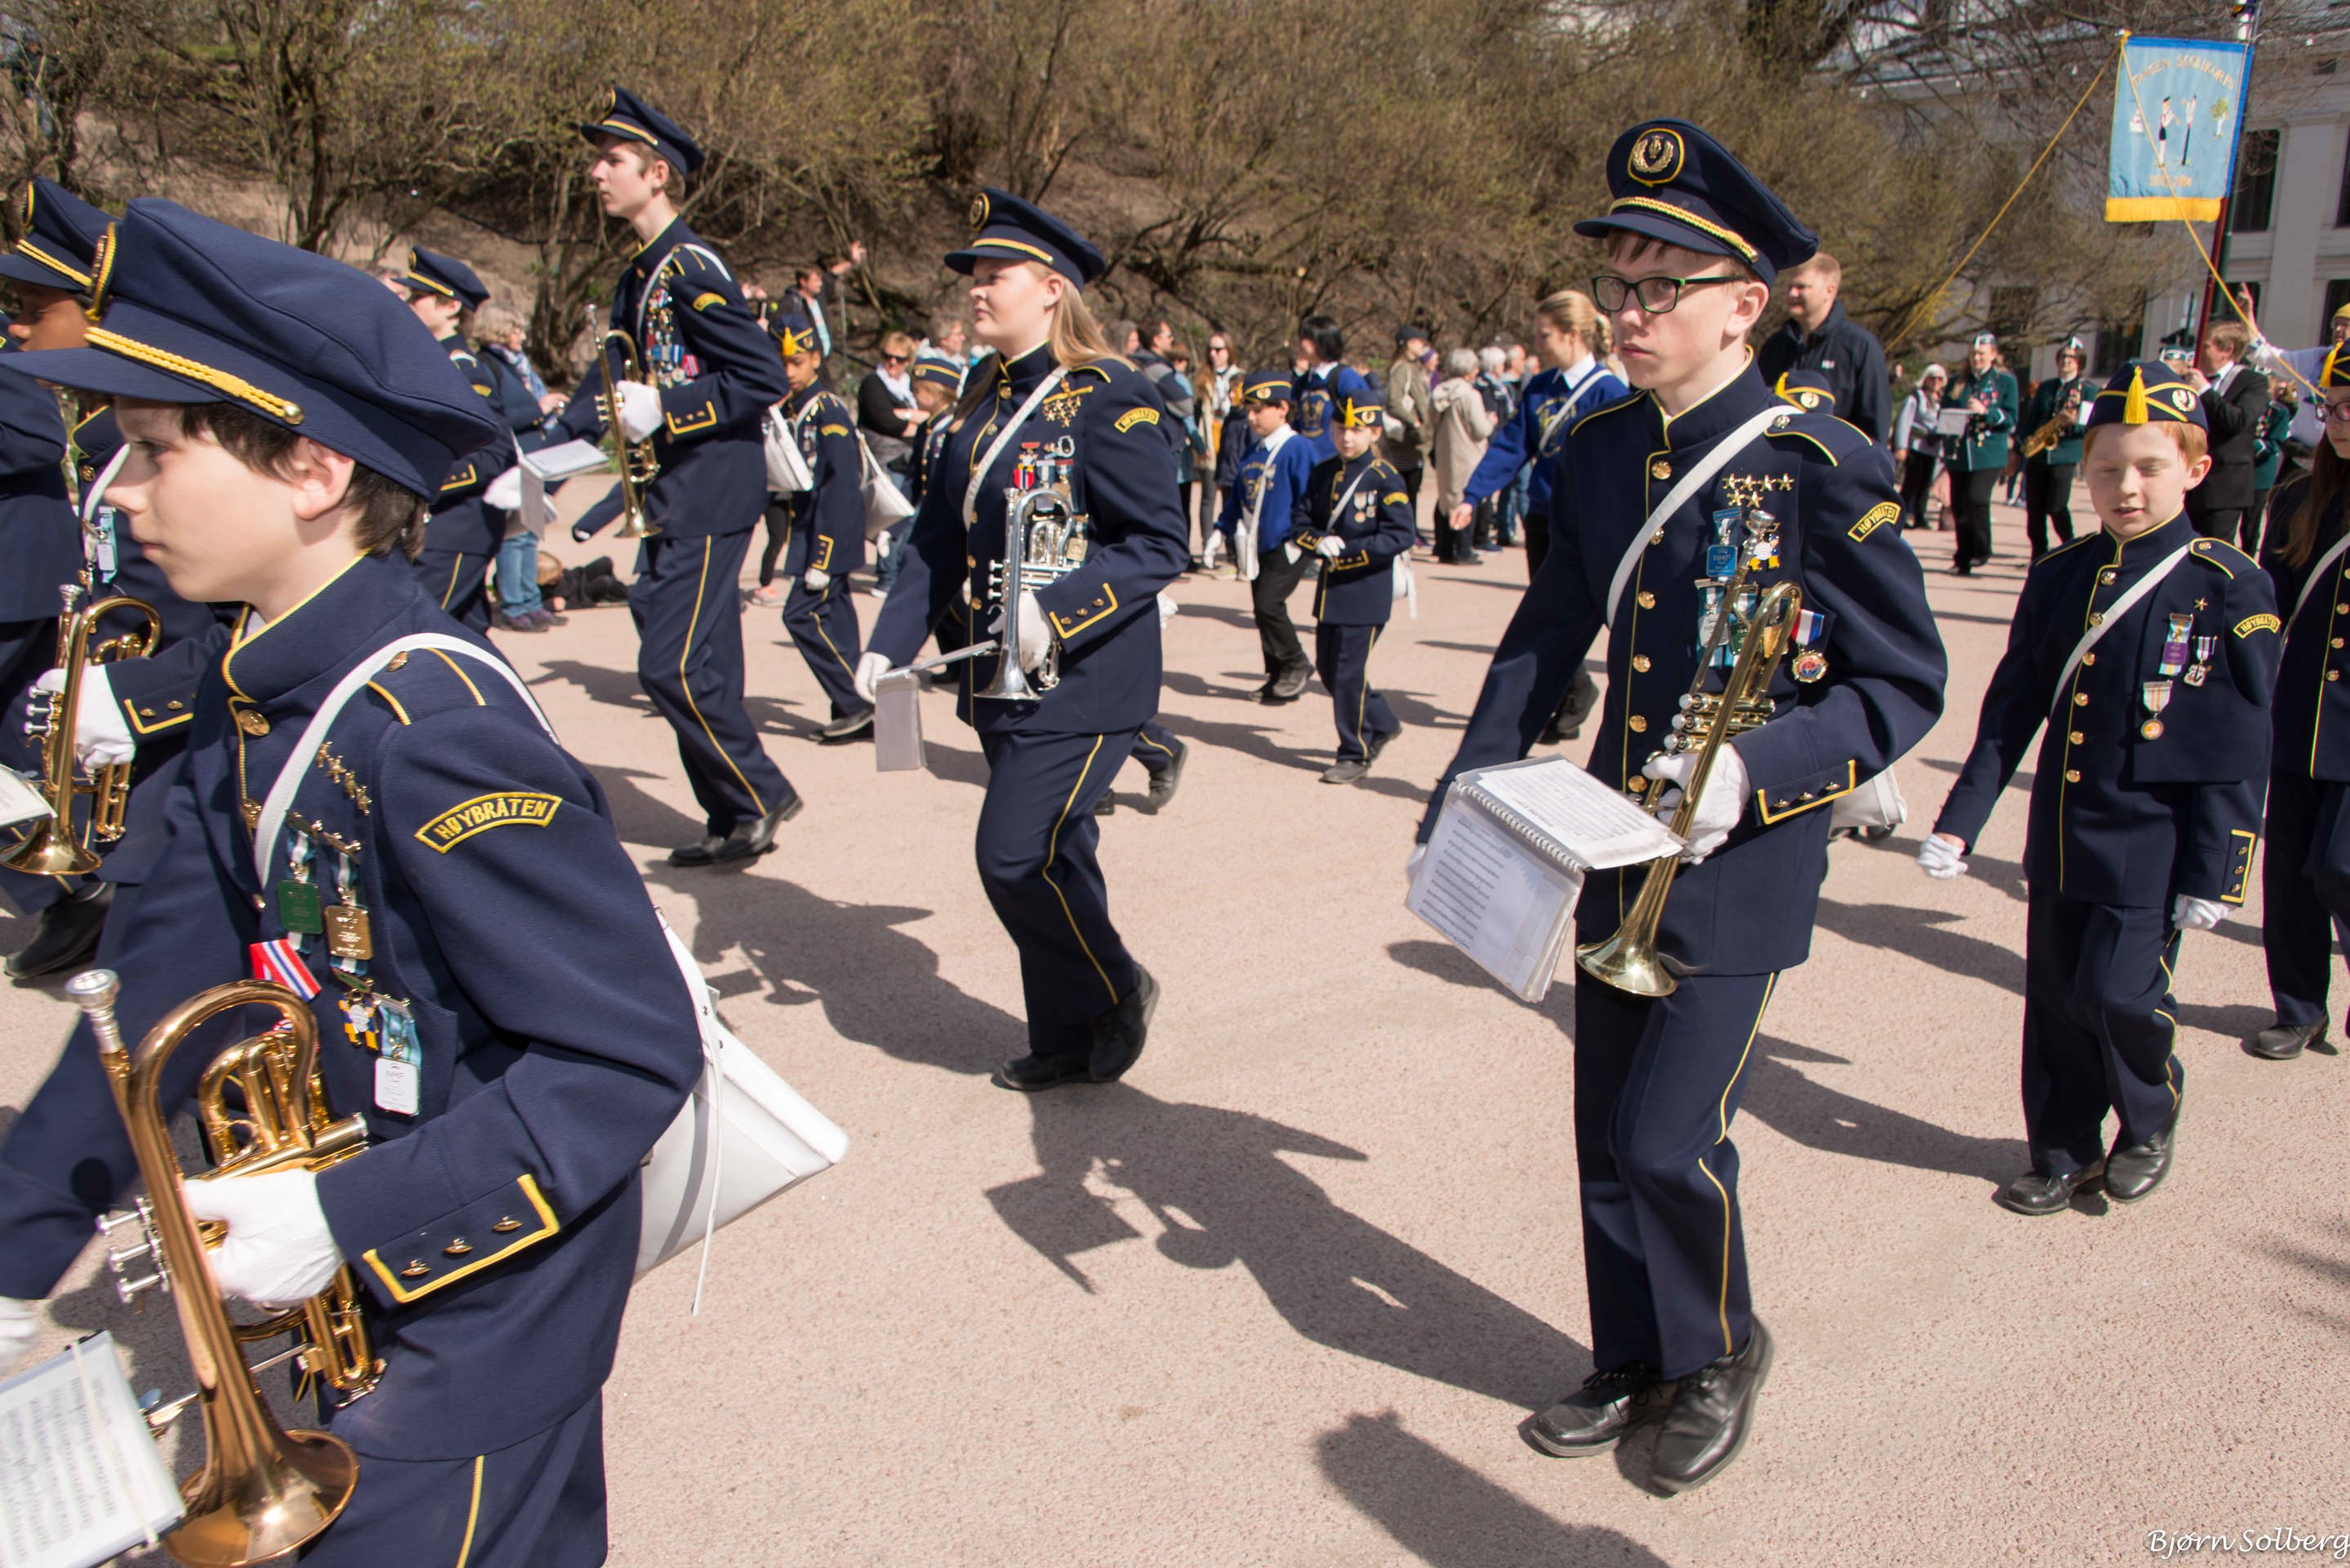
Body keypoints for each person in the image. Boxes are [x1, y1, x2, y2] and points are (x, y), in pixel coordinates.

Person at [0, 195, 702, 1566]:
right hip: (369, 1294)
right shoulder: (253, 685)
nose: (120, 489)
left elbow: (624, 1056)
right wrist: (16, 1248)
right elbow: (150, 991)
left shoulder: (430, 729)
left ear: (313, 471)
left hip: (478, 1312)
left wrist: (341, 1215)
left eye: (156, 448)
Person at [1416, 119, 1944, 1494]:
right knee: (1604, 1131)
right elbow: (1548, 628)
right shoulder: (1601, 446)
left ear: (1744, 304)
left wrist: (1758, 772)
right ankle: (1632, 1355)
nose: (1632, 311)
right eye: (1622, 284)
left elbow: (1901, 684)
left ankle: (1717, 1352)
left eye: (1663, 287)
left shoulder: (1818, 462)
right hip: (1617, 839)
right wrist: (1472, 779)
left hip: (1739, 862)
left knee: (1669, 1137)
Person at [1921, 361, 2278, 1211]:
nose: (2125, 488)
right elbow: (2012, 708)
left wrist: (2217, 873)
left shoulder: (2227, 583)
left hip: (2155, 839)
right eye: (2108, 467)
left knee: (2117, 993)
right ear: (2083, 470)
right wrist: (1961, 819)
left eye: (2149, 467)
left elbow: (2237, 744)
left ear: (2196, 470)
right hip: (2062, 828)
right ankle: (2063, 1149)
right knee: (2054, 1002)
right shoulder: (2061, 575)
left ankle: (2150, 1114)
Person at [851, 189, 1186, 1093]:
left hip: (1086, 677)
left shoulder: (1111, 393)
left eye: (994, 274)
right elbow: (935, 536)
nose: (975, 287)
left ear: (1050, 288)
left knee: (1012, 854)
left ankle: (1116, 987)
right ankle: (1067, 1036)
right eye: (972, 274)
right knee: (1059, 850)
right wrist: (890, 640)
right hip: (1001, 674)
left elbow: (1159, 541)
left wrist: (1063, 610)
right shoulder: (979, 395)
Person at [544, 87, 798, 866]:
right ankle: (733, 813)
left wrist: (669, 407)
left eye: (613, 159)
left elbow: (761, 376)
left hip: (708, 490)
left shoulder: (689, 267)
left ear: (657, 174)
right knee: (700, 658)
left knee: (670, 664)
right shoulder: (640, 272)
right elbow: (611, 372)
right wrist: (542, 450)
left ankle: (758, 791)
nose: (597, 172)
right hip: (672, 492)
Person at [0, 176, 224, 981]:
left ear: (94, 316)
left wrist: (131, 699)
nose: (15, 326)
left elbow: (236, 626)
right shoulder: (103, 429)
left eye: (34, 308)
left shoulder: (157, 437)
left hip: (175, 739)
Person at [1456, 289, 1627, 742]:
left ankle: (1569, 697)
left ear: (1572, 334)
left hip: (1587, 522)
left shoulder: (1610, 392)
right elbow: (1512, 445)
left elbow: (1619, 465)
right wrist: (1473, 496)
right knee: (1548, 613)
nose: (1538, 345)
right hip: (1542, 517)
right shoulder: (1539, 387)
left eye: (1544, 335)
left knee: (1573, 615)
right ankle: (1575, 691)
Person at [2245, 345, 2350, 1062]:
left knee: (2339, 867)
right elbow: (2267, 609)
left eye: (2348, 409)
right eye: (2330, 406)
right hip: (2298, 719)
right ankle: (2298, 1007)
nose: (2335, 420)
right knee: (2286, 878)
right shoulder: (2293, 499)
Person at [390, 247, 515, 634]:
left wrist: (419, 482)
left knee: (410, 633)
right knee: (468, 636)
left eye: (418, 297)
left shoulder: (463, 370)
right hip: (442, 527)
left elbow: (495, 453)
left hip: (456, 529)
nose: (409, 304)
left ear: (450, 307)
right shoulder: (431, 363)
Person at [1296, 391, 1412, 782]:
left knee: (1347, 674)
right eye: (1340, 429)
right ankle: (1383, 722)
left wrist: (1348, 552)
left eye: (1357, 430)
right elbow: (1300, 521)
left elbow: (1400, 534)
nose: (1347, 438)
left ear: (1374, 432)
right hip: (1331, 593)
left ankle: (1354, 752)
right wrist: (1316, 541)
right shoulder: (1323, 473)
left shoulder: (1384, 477)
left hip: (1365, 590)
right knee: (1330, 672)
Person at [773, 311, 872, 743]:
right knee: (839, 623)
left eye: (796, 362)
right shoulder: (796, 408)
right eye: (782, 363)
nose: (788, 372)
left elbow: (840, 488)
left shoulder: (826, 410)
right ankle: (852, 707)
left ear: (816, 358)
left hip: (826, 537)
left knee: (800, 615)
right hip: (813, 534)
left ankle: (857, 702)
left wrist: (823, 557)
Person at [1216, 369, 1318, 701]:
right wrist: (1221, 528)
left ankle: (1296, 662)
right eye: (1249, 409)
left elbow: (1311, 497)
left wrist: (1301, 535)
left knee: (1269, 604)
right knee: (1261, 609)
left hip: (1287, 541)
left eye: (1259, 409)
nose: (1251, 417)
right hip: (1259, 542)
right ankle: (1277, 677)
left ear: (1282, 408)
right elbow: (1238, 497)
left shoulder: (1298, 448)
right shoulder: (1254, 450)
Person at [471, 303, 566, 632]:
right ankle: (514, 605)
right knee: (514, 537)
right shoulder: (487, 365)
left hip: (533, 458)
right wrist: (540, 410)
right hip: (512, 460)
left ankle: (532, 601)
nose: (522, 336)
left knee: (531, 534)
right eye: (515, 329)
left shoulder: (517, 365)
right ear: (498, 329)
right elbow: (495, 417)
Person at [1754, 250, 1890, 443]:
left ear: (1830, 291)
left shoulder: (1860, 347)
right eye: (1790, 287)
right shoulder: (1775, 345)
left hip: (1834, 457)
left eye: (1802, 287)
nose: (1792, 293)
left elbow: (1875, 427)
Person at [2183, 320, 2268, 545]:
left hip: (2224, 486)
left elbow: (2238, 421)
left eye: (2206, 346)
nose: (2198, 352)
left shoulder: (2252, 381)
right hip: (2190, 481)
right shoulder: (2189, 380)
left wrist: (2205, 391)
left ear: (2227, 350)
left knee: (2212, 550)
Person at [1942, 332, 2017, 575]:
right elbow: (1945, 412)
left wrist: (1987, 412)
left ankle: (1982, 549)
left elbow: (2011, 418)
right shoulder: (1957, 382)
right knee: (1959, 506)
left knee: (1976, 498)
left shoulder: (2005, 382)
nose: (1976, 358)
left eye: (1982, 354)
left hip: (1988, 454)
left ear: (1993, 355)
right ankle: (1962, 558)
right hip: (1960, 453)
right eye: (1973, 354)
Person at [2245, 294, 2347, 466]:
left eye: (2346, 325)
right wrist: (2247, 314)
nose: (2338, 329)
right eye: (2336, 324)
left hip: (2339, 463)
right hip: (2300, 460)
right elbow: (2261, 354)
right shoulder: (2315, 358)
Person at [2018, 337, 2090, 559]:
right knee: (2035, 509)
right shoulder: (2047, 387)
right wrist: (2021, 445)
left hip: (2065, 454)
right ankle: (2038, 554)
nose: (2066, 361)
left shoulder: (2088, 389)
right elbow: (2031, 420)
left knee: (2057, 506)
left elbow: (2088, 426)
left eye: (2071, 358)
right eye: (2063, 357)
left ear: (2079, 362)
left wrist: (2074, 422)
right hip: (2039, 454)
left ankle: (2070, 547)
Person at [1428, 348, 1493, 564]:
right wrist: (1490, 421)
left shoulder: (1439, 393)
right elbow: (1480, 430)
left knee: (1445, 498)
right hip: (1467, 452)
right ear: (1469, 370)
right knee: (1464, 499)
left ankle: (1444, 548)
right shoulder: (1469, 395)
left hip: (1445, 450)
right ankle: (1464, 549)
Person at [1291, 314, 1370, 465]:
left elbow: (1363, 422)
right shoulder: (1302, 382)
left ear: (1320, 340)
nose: (1299, 343)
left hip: (1336, 462)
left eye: (1304, 338)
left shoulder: (1345, 378)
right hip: (1306, 463)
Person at [1384, 325, 1435, 517]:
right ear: (1409, 344)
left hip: (1411, 442)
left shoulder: (1411, 367)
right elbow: (1393, 402)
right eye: (1419, 341)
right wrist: (1414, 422)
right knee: (1405, 491)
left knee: (1411, 490)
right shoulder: (1402, 368)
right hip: (1404, 441)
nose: (1423, 345)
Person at [1472, 345, 1520, 548]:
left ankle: (1481, 533)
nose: (1503, 366)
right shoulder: (1485, 387)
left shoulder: (1497, 386)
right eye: (1500, 363)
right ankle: (1480, 536)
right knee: (1486, 490)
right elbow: (1490, 415)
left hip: (1497, 436)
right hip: (1490, 441)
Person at [1890, 362, 1946, 531]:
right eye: (1932, 378)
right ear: (1926, 379)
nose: (1935, 382)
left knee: (1925, 484)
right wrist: (1900, 446)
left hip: (1933, 447)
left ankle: (1920, 516)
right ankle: (1899, 516)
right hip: (1916, 446)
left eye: (1939, 379)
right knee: (1911, 483)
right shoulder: (1916, 398)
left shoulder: (1941, 400)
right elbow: (1904, 422)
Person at [2246, 374, 2297, 555]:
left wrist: (2248, 445)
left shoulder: (2279, 411)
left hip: (2261, 473)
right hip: (2239, 471)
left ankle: (2248, 559)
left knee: (2251, 525)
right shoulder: (2249, 406)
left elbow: (2276, 443)